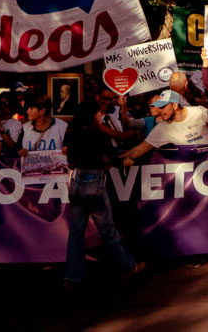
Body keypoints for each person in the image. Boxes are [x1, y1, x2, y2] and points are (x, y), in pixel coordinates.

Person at [62, 98, 143, 288]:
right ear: (93, 115)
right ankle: (128, 267)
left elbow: (71, 160)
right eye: (98, 112)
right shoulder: (100, 135)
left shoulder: (73, 134)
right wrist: (124, 163)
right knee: (107, 230)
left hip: (76, 182)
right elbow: (115, 160)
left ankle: (72, 276)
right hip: (94, 183)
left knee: (76, 232)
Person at [120, 90, 208, 166]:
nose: (160, 111)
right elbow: (143, 147)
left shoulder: (198, 112)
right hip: (191, 170)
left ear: (175, 106)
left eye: (163, 107)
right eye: (158, 107)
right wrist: (119, 158)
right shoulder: (161, 128)